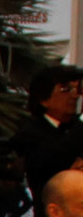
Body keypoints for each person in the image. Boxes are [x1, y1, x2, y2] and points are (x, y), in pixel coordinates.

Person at [11, 64, 83, 193]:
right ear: (43, 100)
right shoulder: (29, 133)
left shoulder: (77, 126)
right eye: (65, 89)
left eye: (76, 89)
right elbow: (52, 161)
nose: (75, 96)